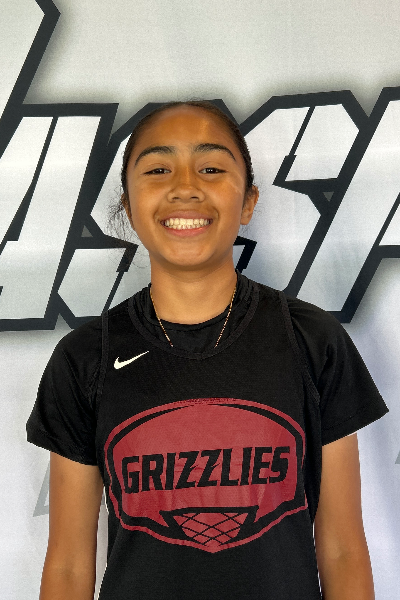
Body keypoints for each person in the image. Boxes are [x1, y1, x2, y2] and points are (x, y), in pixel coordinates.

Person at [26, 100, 388, 600]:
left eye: (211, 168)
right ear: (128, 207)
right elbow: (67, 566)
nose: (185, 187)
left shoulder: (311, 341)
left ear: (248, 202)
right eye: (158, 169)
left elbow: (344, 550)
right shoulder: (85, 358)